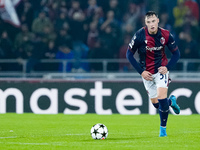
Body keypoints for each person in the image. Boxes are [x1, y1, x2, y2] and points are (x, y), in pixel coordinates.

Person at [126, 11, 180, 137]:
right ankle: (171, 102)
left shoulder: (166, 35)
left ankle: (163, 130)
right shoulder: (139, 35)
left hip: (160, 70)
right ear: (146, 23)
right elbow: (129, 54)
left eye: (153, 21)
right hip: (147, 73)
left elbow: (176, 54)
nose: (151, 24)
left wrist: (167, 67)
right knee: (156, 104)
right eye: (149, 22)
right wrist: (141, 72)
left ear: (158, 21)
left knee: (161, 100)